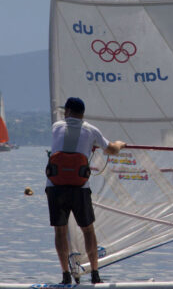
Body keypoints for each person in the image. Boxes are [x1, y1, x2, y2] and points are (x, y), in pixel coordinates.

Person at [45, 97, 125, 285]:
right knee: (88, 230)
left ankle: (65, 275)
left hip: (55, 187)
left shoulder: (56, 126)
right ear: (83, 114)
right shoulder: (91, 130)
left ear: (68, 112)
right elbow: (112, 150)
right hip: (79, 188)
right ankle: (95, 274)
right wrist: (120, 144)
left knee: (60, 231)